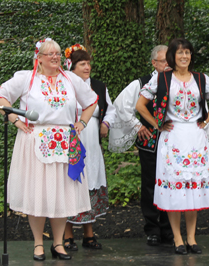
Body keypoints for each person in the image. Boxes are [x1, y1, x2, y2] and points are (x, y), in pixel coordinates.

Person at [0, 38, 97, 260]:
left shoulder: (71, 79)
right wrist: (13, 118)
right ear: (38, 58)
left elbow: (91, 101)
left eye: (58, 53)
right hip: (35, 140)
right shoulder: (26, 79)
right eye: (50, 54)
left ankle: (58, 243)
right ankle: (38, 244)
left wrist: (83, 123)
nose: (55, 57)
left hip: (64, 142)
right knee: (37, 194)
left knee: (61, 194)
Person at [136, 38, 209, 255]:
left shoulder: (201, 79)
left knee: (192, 189)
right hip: (172, 138)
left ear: (191, 56)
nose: (184, 56)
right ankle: (177, 238)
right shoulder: (162, 79)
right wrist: (157, 124)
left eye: (188, 53)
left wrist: (206, 120)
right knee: (174, 190)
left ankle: (192, 238)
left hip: (195, 136)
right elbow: (140, 105)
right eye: (180, 53)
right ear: (173, 56)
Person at [109, 45, 174, 246]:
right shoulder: (143, 83)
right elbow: (121, 104)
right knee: (150, 184)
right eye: (163, 61)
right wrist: (137, 125)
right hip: (150, 141)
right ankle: (152, 229)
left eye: (169, 60)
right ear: (154, 63)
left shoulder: (180, 80)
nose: (167, 64)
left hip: (174, 141)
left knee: (172, 182)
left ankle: (169, 229)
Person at [62, 44, 116, 250]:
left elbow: (110, 109)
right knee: (70, 182)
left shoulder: (99, 87)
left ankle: (89, 234)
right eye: (82, 64)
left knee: (90, 180)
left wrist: (105, 124)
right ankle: (67, 235)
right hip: (70, 138)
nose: (87, 67)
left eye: (88, 63)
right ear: (71, 67)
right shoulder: (65, 85)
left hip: (92, 140)